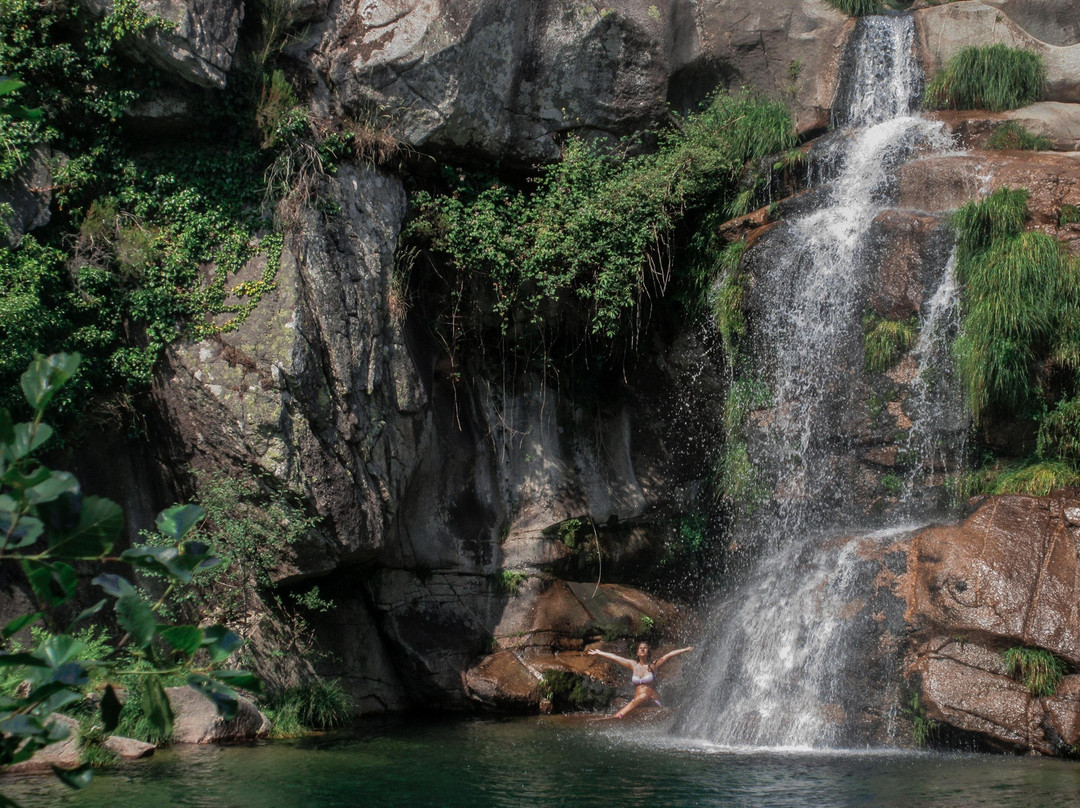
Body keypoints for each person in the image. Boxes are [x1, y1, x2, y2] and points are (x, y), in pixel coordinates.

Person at [588, 641, 694, 719]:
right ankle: (621, 714)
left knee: (643, 696)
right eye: (640, 648)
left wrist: (685, 649)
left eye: (645, 648)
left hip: (652, 701)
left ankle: (617, 717)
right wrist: (599, 652)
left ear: (648, 652)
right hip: (637, 700)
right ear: (637, 653)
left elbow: (669, 655)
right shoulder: (633, 665)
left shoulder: (653, 666)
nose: (642, 649)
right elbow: (616, 658)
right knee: (622, 700)